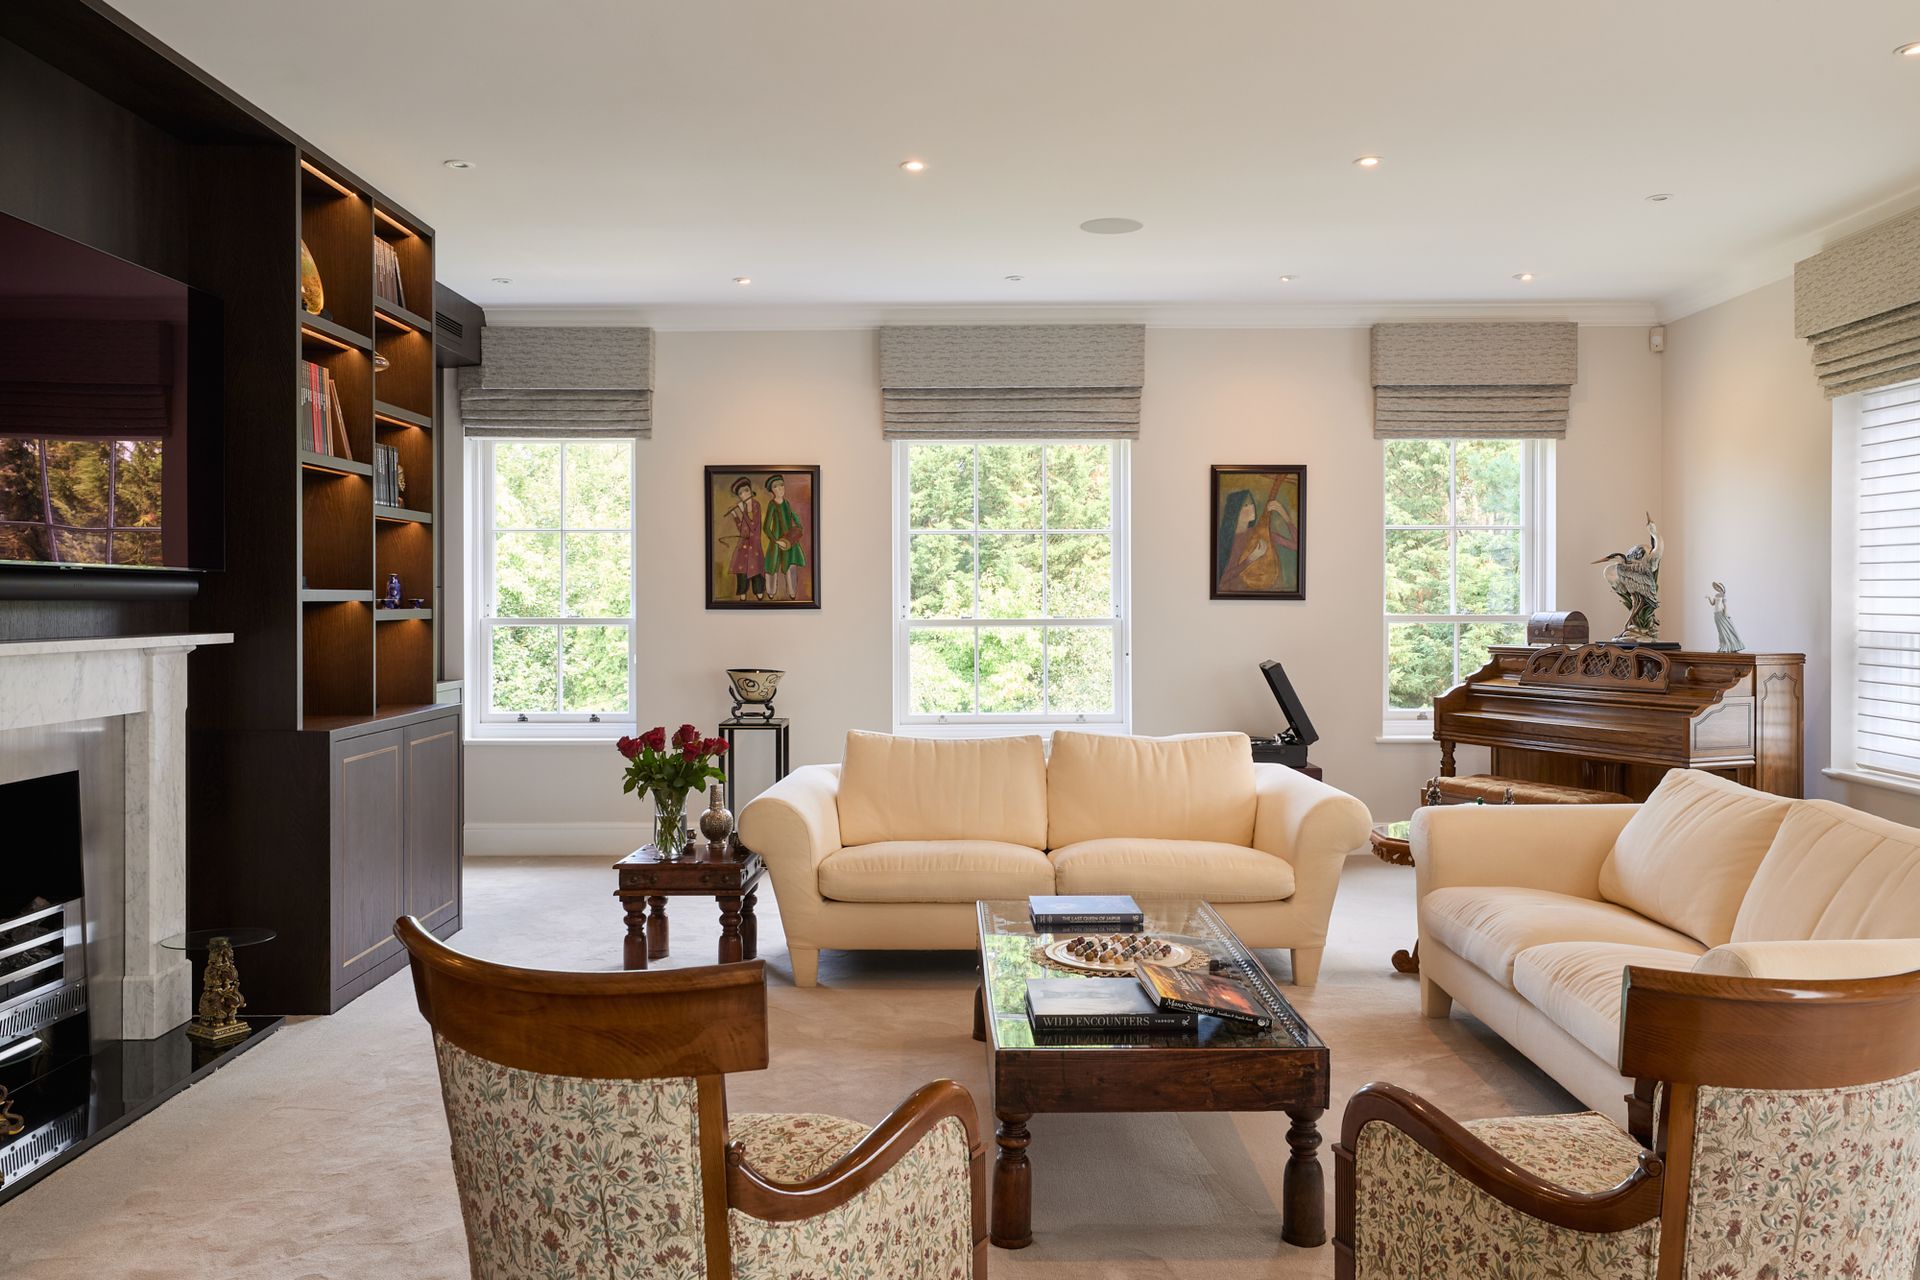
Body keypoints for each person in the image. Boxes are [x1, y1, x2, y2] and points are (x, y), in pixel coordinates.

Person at [1216, 485, 1298, 593]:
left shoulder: (1259, 533)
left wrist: (1286, 517)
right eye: (1245, 505)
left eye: (1251, 503)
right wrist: (1250, 559)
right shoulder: (1226, 540)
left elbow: (1297, 546)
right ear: (1234, 510)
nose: (1251, 507)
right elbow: (1220, 579)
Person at [762, 473, 807, 601]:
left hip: (789, 539)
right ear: (771, 490)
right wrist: (776, 541)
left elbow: (793, 517)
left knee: (791, 565)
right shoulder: (772, 504)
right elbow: (766, 527)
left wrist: (797, 528)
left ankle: (792, 592)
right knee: (772, 566)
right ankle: (770, 591)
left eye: (782, 485)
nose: (780, 489)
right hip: (777, 540)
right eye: (776, 487)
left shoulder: (787, 503)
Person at [723, 476, 766, 600]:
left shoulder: (756, 505)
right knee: (741, 568)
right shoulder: (744, 507)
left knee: (756, 567)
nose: (744, 494)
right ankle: (742, 593)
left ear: (750, 491)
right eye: (740, 493)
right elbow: (742, 530)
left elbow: (753, 526)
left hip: (754, 545)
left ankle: (759, 591)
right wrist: (735, 515)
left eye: (746, 490)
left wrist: (744, 512)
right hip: (743, 545)